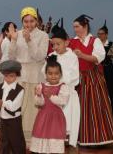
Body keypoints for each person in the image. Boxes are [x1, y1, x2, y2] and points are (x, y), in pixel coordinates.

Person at [69, 14, 113, 146]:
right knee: (79, 107)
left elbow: (97, 59)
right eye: (74, 27)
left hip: (93, 78)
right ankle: (79, 137)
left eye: (77, 26)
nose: (75, 29)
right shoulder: (72, 41)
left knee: (96, 107)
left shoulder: (94, 41)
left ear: (85, 26)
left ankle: (98, 137)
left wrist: (81, 55)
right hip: (78, 78)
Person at [8, 6, 49, 141]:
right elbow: (12, 57)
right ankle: (17, 137)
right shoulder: (17, 34)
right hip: (20, 76)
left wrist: (29, 41)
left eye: (32, 21)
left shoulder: (43, 35)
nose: (29, 24)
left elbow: (40, 56)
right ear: (22, 21)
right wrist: (13, 40)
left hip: (35, 75)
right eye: (26, 21)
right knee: (18, 107)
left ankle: (33, 137)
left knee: (33, 109)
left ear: (36, 21)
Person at [41, 19, 80, 147]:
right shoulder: (52, 55)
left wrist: (59, 79)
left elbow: (74, 76)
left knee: (68, 120)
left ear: (67, 42)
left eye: (58, 44)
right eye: (53, 45)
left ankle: (67, 141)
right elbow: (44, 72)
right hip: (53, 95)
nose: (55, 47)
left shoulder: (72, 56)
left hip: (67, 93)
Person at [30, 56, 69, 154]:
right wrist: (38, 95)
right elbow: (39, 103)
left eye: (56, 73)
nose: (53, 76)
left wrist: (51, 96)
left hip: (56, 118)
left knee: (54, 136)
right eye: (50, 73)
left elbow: (62, 101)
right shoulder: (41, 86)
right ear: (46, 75)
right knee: (41, 134)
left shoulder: (63, 87)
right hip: (43, 117)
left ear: (60, 75)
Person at [0, 60, 26, 154]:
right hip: (3, 119)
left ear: (17, 75)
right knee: (4, 141)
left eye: (11, 76)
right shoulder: (0, 87)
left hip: (14, 119)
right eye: (6, 76)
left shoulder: (20, 90)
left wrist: (2, 103)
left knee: (16, 141)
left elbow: (14, 107)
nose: (8, 78)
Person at [97, 20, 113, 115]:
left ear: (106, 34)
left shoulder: (112, 44)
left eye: (102, 34)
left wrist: (111, 54)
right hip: (98, 69)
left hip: (108, 69)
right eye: (98, 34)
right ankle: (100, 110)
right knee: (99, 90)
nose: (99, 36)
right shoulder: (96, 44)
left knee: (111, 88)